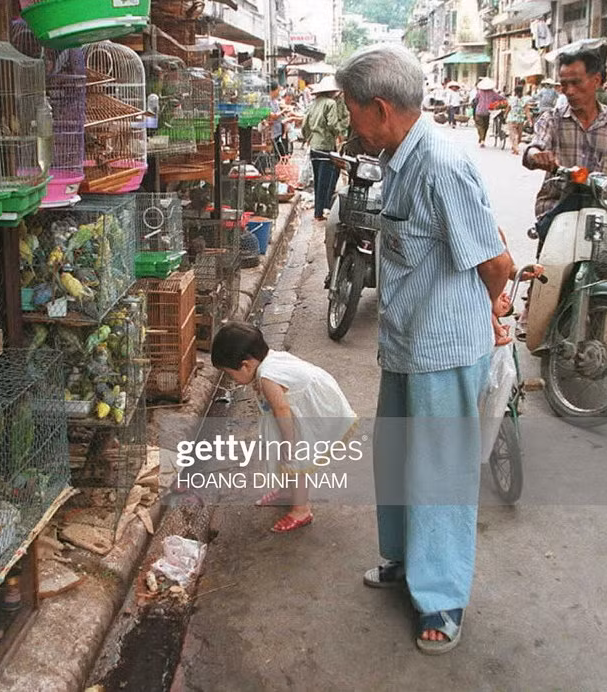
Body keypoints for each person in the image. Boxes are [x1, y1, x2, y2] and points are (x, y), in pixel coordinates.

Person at [335, 44, 513, 654]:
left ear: (381, 108)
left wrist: (492, 311)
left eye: (351, 109)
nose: (350, 122)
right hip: (407, 341)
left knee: (438, 473)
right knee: (396, 457)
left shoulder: (440, 164)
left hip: (445, 347)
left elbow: (496, 261)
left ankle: (440, 598)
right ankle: (405, 560)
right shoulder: (397, 159)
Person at [210, 322, 356, 533]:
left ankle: (301, 510)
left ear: (246, 365)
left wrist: (289, 442)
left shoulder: (267, 377)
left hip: (310, 411)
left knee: (295, 461)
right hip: (301, 407)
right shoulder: (268, 360)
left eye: (230, 374)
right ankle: (288, 492)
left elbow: (281, 409)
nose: (232, 379)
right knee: (284, 457)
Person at [523, 49, 607, 249]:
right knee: (550, 265)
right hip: (558, 212)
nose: (569, 91)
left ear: (596, 81)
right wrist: (536, 156)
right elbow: (534, 148)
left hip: (604, 214)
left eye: (576, 83)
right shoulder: (552, 120)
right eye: (564, 84)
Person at [301, 76, 350, 221]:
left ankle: (317, 212)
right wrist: (339, 131)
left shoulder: (314, 103)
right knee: (324, 182)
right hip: (326, 146)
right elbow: (332, 124)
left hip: (314, 147)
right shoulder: (330, 103)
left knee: (317, 181)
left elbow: (305, 124)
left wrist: (308, 138)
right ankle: (319, 213)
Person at [473, 77, 502, 147]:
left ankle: (482, 139)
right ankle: (482, 139)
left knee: (480, 126)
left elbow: (476, 100)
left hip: (479, 111)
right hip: (487, 112)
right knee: (485, 126)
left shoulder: (479, 92)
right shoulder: (493, 93)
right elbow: (500, 98)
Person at [506, 85, 531, 155]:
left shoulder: (511, 99)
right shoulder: (524, 100)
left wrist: (505, 115)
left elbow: (508, 108)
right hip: (520, 120)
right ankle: (515, 147)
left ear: (515, 92)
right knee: (518, 135)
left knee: (514, 135)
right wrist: (529, 120)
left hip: (512, 119)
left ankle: (515, 147)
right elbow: (527, 111)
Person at [267, 82, 288, 157]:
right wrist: (283, 111)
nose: (279, 92)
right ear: (273, 90)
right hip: (271, 132)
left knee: (281, 153)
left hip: (278, 131)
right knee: (277, 153)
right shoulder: (267, 102)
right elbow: (273, 116)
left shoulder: (275, 101)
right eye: (278, 90)